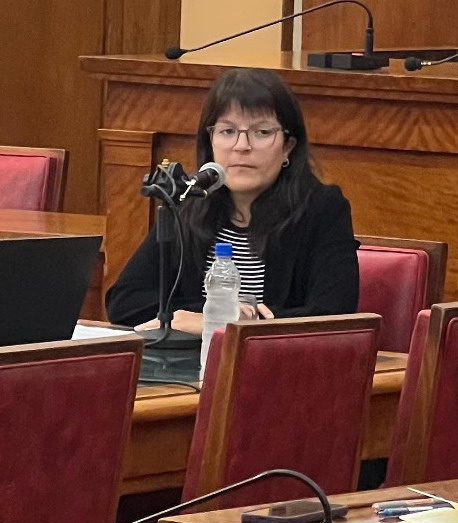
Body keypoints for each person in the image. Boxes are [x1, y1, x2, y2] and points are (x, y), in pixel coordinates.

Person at [106, 68, 359, 330]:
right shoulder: (187, 200)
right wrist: (211, 318)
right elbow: (124, 302)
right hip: (193, 356)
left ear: (288, 147)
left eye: (262, 132)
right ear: (210, 142)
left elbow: (335, 315)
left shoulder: (322, 209)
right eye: (227, 131)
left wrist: (242, 325)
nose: (241, 146)